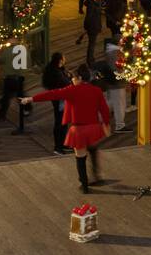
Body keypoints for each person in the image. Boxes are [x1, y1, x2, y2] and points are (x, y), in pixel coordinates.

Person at [21, 65, 110, 193]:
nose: (71, 80)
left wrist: (30, 98)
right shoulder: (96, 90)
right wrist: (106, 124)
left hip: (78, 130)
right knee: (92, 148)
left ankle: (84, 185)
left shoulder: (71, 90)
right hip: (93, 128)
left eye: (73, 78)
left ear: (79, 78)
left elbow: (52, 94)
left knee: (80, 158)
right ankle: (97, 175)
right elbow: (104, 109)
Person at [94, 42, 130, 133]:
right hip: (117, 84)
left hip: (113, 84)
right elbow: (118, 70)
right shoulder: (115, 54)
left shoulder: (111, 53)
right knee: (119, 105)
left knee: (112, 103)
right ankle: (119, 125)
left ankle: (98, 118)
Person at [42, 52, 72, 155]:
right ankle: (58, 147)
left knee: (63, 121)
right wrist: (70, 78)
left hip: (58, 98)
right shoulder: (56, 72)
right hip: (60, 99)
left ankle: (62, 144)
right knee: (60, 122)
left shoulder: (53, 69)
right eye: (63, 58)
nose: (65, 60)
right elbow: (66, 83)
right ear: (60, 60)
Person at [83, 0, 104, 65]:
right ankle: (90, 60)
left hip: (93, 26)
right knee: (92, 44)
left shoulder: (94, 3)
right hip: (93, 27)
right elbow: (89, 17)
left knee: (92, 44)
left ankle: (91, 59)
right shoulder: (92, 5)